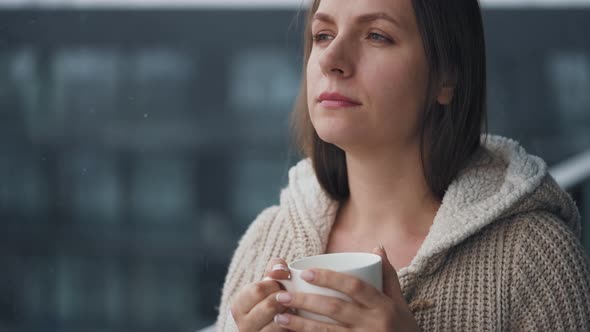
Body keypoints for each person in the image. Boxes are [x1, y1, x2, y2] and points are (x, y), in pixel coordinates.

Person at [215, 0, 590, 331]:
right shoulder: (264, 241)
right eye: (324, 35)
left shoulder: (534, 257)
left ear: (447, 76)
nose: (331, 60)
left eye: (377, 35)